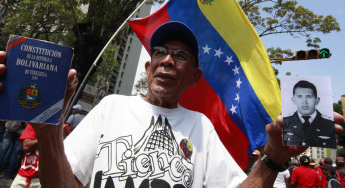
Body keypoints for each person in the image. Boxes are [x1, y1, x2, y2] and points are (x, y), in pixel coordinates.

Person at [0, 21, 344, 187]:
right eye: (160, 53)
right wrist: (48, 134)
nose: (167, 60)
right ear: (148, 68)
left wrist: (273, 158)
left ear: (194, 77)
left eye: (179, 55)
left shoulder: (202, 128)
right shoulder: (111, 107)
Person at [283, 80, 336, 148]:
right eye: (299, 97)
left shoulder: (329, 125)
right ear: (293, 100)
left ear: (317, 100)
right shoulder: (285, 123)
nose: (304, 102)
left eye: (309, 97)